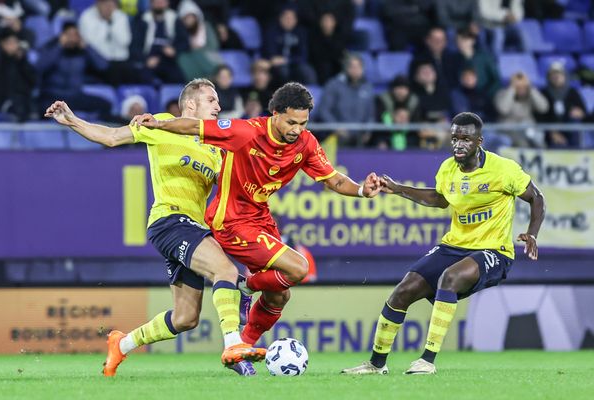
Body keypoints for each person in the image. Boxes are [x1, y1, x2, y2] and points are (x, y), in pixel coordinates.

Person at [131, 82, 383, 349]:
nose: (297, 130)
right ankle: (245, 287)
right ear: (275, 114)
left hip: (260, 219)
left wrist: (360, 190)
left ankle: (244, 347)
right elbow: (194, 127)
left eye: (303, 122)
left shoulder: (306, 143)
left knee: (279, 296)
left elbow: (332, 179)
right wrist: (157, 125)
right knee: (299, 268)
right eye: (291, 122)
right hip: (230, 220)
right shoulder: (246, 132)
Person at [44, 78, 266, 377]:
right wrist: (71, 120)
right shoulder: (161, 124)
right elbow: (111, 137)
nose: (218, 106)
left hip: (193, 229)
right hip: (170, 220)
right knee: (225, 271)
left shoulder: (215, 147)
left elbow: (236, 193)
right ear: (190, 104)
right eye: (211, 99)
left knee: (186, 318)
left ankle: (121, 344)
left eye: (218, 101)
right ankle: (233, 345)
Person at [342, 112, 545, 375]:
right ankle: (376, 364)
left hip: (494, 250)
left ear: (479, 141)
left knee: (450, 277)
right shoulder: (448, 168)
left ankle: (427, 360)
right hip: (455, 245)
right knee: (404, 289)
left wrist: (532, 233)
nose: (459, 144)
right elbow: (439, 199)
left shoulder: (503, 169)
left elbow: (536, 197)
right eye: (455, 138)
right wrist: (398, 188)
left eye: (466, 139)